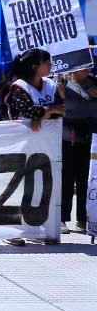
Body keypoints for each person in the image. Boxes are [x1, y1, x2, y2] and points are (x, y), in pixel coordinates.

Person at [62, 65, 97, 233]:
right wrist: (60, 94)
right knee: (66, 179)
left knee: (86, 180)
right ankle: (61, 218)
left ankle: (83, 219)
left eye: (90, 65)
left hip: (90, 137)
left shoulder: (94, 82)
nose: (88, 69)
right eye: (84, 66)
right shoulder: (61, 82)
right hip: (66, 137)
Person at [5, 48, 64, 132]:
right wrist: (51, 109)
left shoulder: (50, 83)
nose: (50, 65)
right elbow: (28, 112)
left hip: (49, 133)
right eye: (47, 62)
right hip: (23, 134)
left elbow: (61, 109)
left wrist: (39, 117)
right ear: (35, 67)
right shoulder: (19, 86)